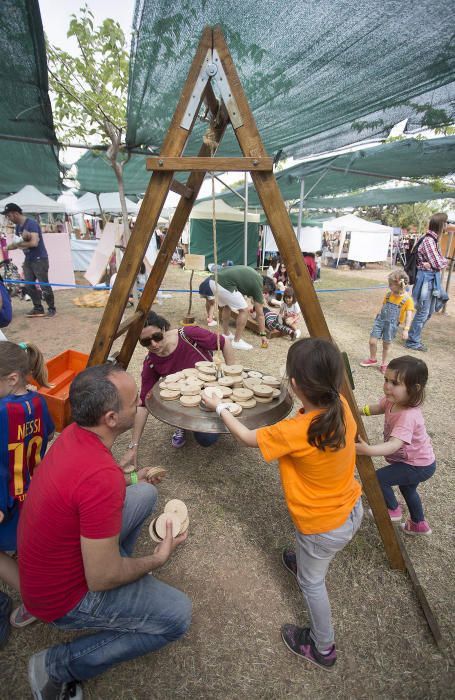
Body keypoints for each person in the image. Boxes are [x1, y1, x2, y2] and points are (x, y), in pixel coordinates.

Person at [18, 363, 191, 699]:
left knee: (144, 492)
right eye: (134, 401)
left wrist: (131, 476)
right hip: (62, 598)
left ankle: (118, 560)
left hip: (48, 569)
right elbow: (101, 578)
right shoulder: (100, 477)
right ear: (111, 419)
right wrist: (156, 559)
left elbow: (86, 492)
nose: (142, 399)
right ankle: (56, 667)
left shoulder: (74, 433)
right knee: (178, 615)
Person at [203, 338, 362, 670]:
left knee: (312, 583)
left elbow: (247, 438)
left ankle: (323, 648)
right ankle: (303, 562)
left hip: (322, 527)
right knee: (310, 559)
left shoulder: (295, 429)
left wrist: (218, 406)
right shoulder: (343, 406)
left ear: (293, 384)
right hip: (349, 510)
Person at [120, 311, 235, 459]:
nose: (153, 344)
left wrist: (231, 377)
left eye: (156, 337)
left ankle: (217, 416)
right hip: (184, 400)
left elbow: (224, 342)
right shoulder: (151, 362)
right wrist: (133, 446)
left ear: (163, 329)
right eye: (146, 342)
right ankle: (182, 424)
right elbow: (143, 404)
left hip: (210, 392)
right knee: (204, 436)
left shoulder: (188, 334)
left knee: (207, 439)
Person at [0, 341, 54, 646]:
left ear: (12, 379)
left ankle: (36, 599)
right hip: (32, 492)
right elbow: (48, 431)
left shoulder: (1, 411)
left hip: (8, 499)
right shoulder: (38, 401)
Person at [356, 356, 435, 535]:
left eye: (395, 383)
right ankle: (418, 524)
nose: (387, 386)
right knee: (407, 489)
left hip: (418, 465)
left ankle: (393, 509)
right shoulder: (393, 401)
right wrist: (358, 411)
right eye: (386, 379)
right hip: (419, 461)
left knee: (377, 478)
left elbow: (393, 445)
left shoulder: (408, 415)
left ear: (415, 389)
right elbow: (378, 407)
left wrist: (368, 450)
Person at [3, 203, 56, 318]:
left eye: (9, 216)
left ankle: (51, 308)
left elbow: (34, 243)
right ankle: (38, 307)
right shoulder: (18, 227)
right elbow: (17, 244)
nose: (9, 219)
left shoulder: (31, 224)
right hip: (29, 259)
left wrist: (19, 243)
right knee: (28, 284)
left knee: (44, 285)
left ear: (16, 214)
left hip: (39, 259)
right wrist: (7, 247)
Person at [405, 212, 448, 352]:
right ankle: (412, 341)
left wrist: (437, 263)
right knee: (424, 311)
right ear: (440, 224)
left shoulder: (433, 239)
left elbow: (436, 262)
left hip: (430, 279)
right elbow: (439, 263)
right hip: (426, 280)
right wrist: (440, 262)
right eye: (445, 223)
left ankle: (413, 336)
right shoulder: (429, 240)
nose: (447, 226)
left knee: (429, 311)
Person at [200, 265, 267, 351]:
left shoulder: (253, 276)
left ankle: (226, 334)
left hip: (212, 281)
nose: (264, 294)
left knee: (227, 306)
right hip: (224, 284)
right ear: (266, 287)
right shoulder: (258, 283)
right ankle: (237, 341)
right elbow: (260, 315)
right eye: (265, 292)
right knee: (244, 310)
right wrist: (263, 335)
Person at [360, 270, 415, 374]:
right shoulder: (388, 295)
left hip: (392, 325)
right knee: (372, 341)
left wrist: (406, 330)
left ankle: (384, 364)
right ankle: (372, 359)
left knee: (386, 345)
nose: (389, 286)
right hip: (380, 321)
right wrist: (378, 317)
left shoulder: (408, 300)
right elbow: (383, 307)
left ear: (400, 285)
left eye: (391, 284)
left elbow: (409, 316)